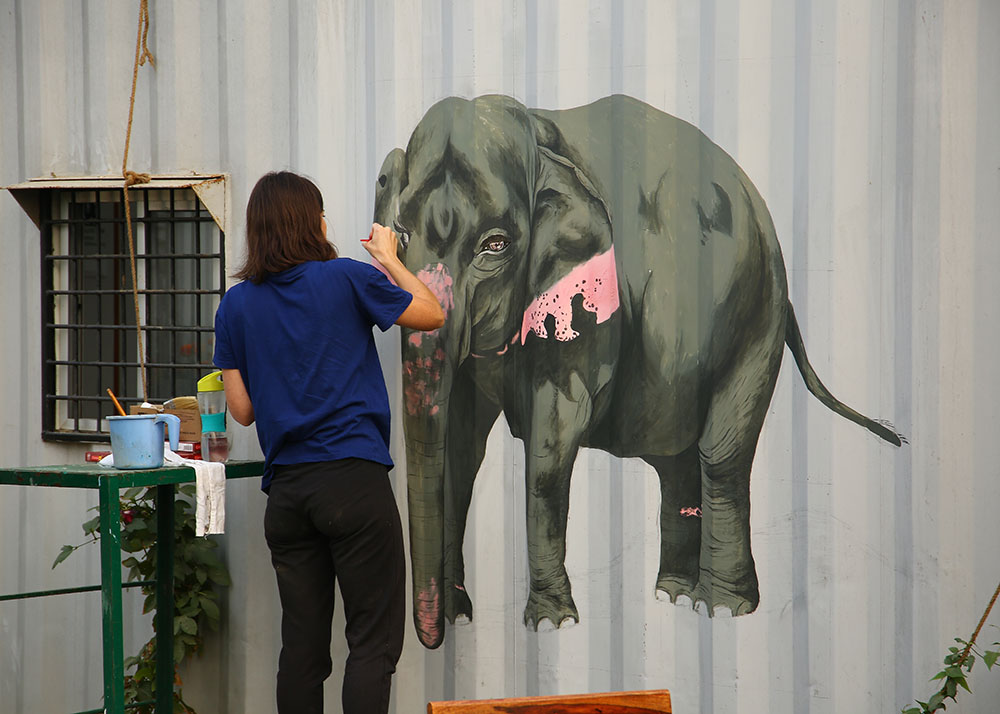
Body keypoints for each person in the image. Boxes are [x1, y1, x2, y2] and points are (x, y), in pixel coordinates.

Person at [212, 170, 444, 714]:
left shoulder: (236, 305)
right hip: (353, 483)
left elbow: (241, 411)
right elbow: (431, 313)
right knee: (371, 644)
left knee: (302, 650)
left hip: (288, 496)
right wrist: (388, 258)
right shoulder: (345, 278)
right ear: (311, 223)